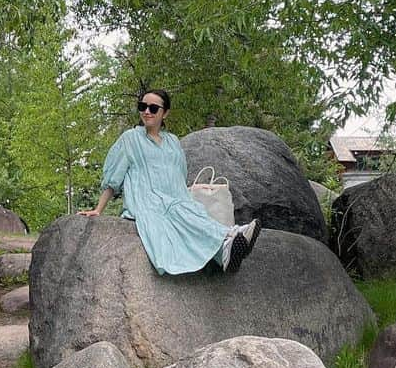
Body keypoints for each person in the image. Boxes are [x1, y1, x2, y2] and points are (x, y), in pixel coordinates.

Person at [78, 88, 260, 276]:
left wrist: (183, 198)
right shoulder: (130, 139)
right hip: (146, 199)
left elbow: (179, 174)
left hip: (175, 196)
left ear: (165, 113)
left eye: (153, 108)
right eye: (142, 106)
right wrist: (98, 209)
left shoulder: (173, 141)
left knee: (189, 210)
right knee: (174, 211)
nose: (146, 111)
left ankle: (224, 253)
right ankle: (229, 235)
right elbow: (114, 177)